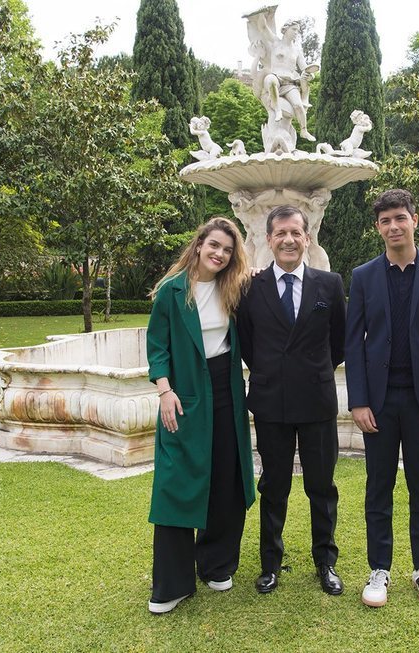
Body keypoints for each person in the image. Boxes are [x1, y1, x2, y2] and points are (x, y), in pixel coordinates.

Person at [344, 189, 419, 609]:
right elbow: (353, 344)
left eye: (400, 218)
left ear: (415, 220)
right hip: (377, 403)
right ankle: (379, 569)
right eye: (384, 221)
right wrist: (358, 401)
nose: (393, 227)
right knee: (378, 485)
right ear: (377, 228)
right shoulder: (363, 277)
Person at [145, 217, 256, 614]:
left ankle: (216, 563)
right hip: (184, 391)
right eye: (214, 245)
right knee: (177, 480)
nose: (219, 254)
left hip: (226, 387)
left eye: (227, 250)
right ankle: (172, 583)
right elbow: (157, 346)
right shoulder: (171, 292)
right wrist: (165, 391)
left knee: (226, 475)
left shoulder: (235, 288)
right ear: (198, 245)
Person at [237, 205, 347, 596]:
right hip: (271, 402)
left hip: (317, 401)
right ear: (268, 239)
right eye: (280, 233)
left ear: (307, 238)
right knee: (274, 486)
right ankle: (270, 563)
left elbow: (340, 342)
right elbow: (247, 344)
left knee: (322, 486)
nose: (288, 239)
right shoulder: (250, 287)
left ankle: (326, 562)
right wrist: (274, 371)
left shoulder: (329, 284)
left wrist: (311, 369)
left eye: (295, 233)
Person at [246, 11, 316, 142]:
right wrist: (261, 13)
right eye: (294, 29)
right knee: (270, 80)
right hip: (276, 77)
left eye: (297, 30)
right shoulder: (275, 43)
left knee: (298, 106)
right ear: (286, 29)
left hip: (290, 83)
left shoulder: (297, 51)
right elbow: (263, 28)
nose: (296, 32)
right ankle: (277, 109)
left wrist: (309, 75)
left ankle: (304, 130)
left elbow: (305, 69)